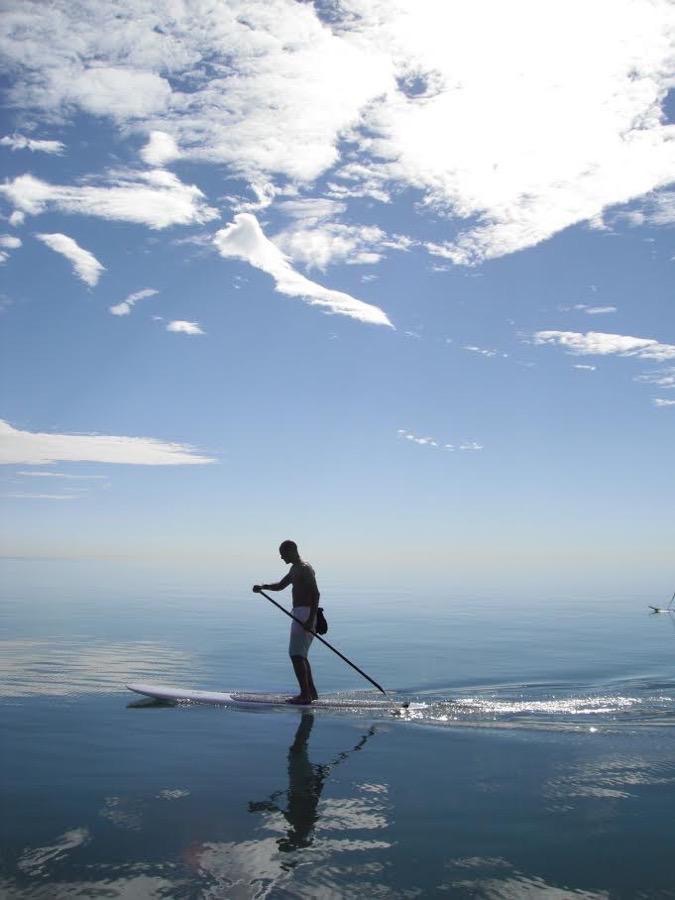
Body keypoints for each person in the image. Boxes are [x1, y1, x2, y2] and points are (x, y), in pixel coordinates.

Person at [253, 540, 320, 704]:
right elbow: (281, 585)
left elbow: (316, 594)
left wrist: (310, 620)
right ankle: (311, 693)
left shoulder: (305, 568)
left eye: (283, 553)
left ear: (292, 551)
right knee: (301, 655)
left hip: (305, 614)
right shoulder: (295, 568)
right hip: (300, 613)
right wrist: (264, 586)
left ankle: (305, 696)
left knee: (296, 655)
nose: (281, 557)